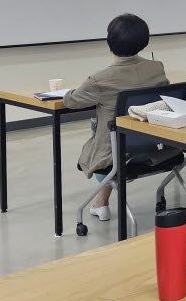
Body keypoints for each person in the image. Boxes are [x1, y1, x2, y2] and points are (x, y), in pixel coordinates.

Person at [65, 14, 167, 219]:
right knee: (119, 125)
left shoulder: (100, 79)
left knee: (106, 127)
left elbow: (71, 101)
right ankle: (101, 202)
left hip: (116, 156)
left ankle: (101, 204)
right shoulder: (157, 68)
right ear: (144, 41)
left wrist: (68, 91)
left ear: (110, 42)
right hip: (157, 149)